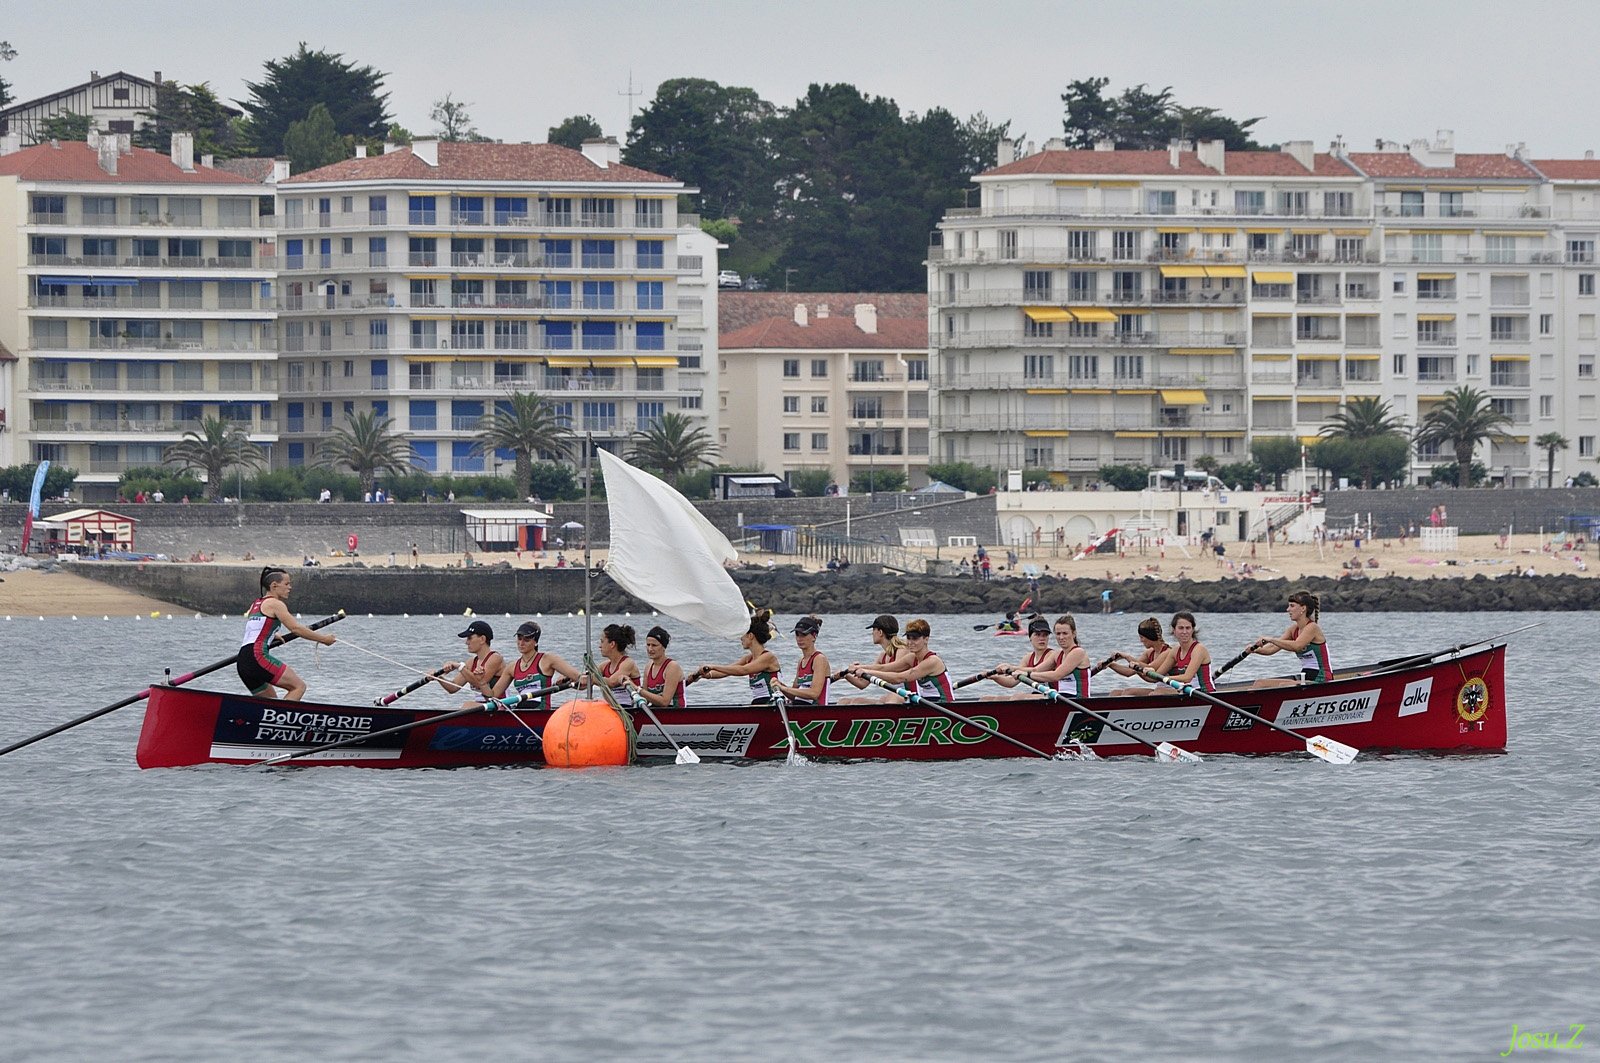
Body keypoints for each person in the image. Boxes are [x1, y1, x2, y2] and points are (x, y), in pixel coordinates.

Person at [236, 567, 337, 700]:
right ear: (274, 585)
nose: (290, 587)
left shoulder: (256, 604)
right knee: (298, 687)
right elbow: (296, 629)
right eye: (287, 584)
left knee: (270, 704)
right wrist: (324, 639)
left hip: (243, 662)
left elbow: (256, 628)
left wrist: (271, 635)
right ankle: (280, 719)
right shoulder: (276, 604)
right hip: (257, 657)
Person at [848, 618, 951, 703]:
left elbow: (899, 677)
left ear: (926, 639)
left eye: (915, 639)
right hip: (926, 702)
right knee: (883, 699)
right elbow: (884, 668)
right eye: (908, 638)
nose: (910, 642)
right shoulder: (912, 658)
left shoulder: (932, 661)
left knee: (891, 698)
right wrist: (860, 667)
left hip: (943, 704)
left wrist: (867, 672)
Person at [693, 610, 782, 703]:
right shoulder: (748, 658)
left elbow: (743, 670)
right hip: (758, 702)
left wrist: (712, 666)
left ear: (750, 636)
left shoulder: (768, 657)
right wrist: (706, 675)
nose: (741, 638)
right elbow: (726, 671)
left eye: (743, 634)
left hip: (773, 702)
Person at [1248, 590, 1332, 688]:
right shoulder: (1293, 630)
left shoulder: (1312, 627)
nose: (1288, 610)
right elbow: (1271, 649)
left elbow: (1297, 646)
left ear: (1303, 608)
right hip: (1306, 677)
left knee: (1283, 685)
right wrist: (1253, 650)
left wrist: (1271, 639)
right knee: (1259, 683)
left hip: (1322, 679)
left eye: (1292, 606)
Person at [492, 620, 583, 708]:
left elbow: (580, 680)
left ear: (536, 642)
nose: (521, 643)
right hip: (521, 710)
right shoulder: (511, 667)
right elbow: (493, 695)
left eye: (526, 640)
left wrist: (567, 681)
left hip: (540, 710)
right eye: (519, 638)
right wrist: (480, 681)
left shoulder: (548, 660)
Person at [838, 614, 913, 703]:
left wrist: (862, 668)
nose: (872, 633)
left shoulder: (902, 650)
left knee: (890, 698)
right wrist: (845, 675)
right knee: (849, 701)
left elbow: (893, 673)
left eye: (874, 630)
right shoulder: (882, 656)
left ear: (880, 632)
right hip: (895, 697)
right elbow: (863, 684)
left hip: (910, 697)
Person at [438, 620, 505, 707]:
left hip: (500, 706)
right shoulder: (471, 662)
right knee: (467, 706)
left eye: (469, 638)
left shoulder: (495, 658)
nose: (466, 642)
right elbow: (453, 688)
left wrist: (460, 667)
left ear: (482, 639)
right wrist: (438, 678)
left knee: (467, 705)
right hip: (482, 708)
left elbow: (479, 683)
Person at [989, 617, 1060, 697]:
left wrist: (1012, 667)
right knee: (987, 699)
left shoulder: (1052, 655)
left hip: (1054, 696)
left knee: (1018, 697)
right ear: (1030, 637)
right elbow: (1012, 682)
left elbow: (1036, 670)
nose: (1042, 638)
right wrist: (995, 677)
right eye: (1037, 634)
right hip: (1038, 696)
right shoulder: (1028, 658)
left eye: (1045, 635)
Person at [1105, 616, 1175, 696]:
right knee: (1115, 693)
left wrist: (1127, 657)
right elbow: (1130, 672)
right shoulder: (1149, 653)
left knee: (1129, 692)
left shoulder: (1168, 652)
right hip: (1159, 690)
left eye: (1142, 637)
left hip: (1173, 691)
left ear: (1149, 636)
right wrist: (1110, 664)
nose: (1140, 640)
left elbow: (1152, 669)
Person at [1028, 614, 1092, 697]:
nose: (1061, 637)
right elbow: (1035, 669)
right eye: (1058, 634)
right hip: (1062, 698)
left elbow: (1056, 675)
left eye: (1065, 633)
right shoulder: (1057, 654)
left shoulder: (1078, 652)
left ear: (1074, 634)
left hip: (1079, 700)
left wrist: (1028, 674)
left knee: (1021, 698)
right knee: (1017, 697)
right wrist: (1013, 669)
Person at [774, 615, 830, 705]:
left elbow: (814, 693)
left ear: (814, 636)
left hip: (816, 711)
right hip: (800, 708)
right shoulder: (801, 661)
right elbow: (793, 695)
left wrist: (784, 688)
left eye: (803, 635)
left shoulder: (819, 659)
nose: (799, 639)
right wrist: (779, 685)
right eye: (797, 635)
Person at [629, 626, 688, 708]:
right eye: (648, 645)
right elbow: (646, 697)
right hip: (658, 714)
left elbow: (665, 702)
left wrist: (637, 689)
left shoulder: (672, 667)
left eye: (654, 645)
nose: (650, 649)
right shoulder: (648, 666)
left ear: (663, 647)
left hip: (677, 714)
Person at [1162, 612, 1214, 693]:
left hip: (1206, 693)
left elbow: (1187, 678)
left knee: (1158, 692)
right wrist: (1145, 670)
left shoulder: (1199, 649)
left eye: (1188, 628)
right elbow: (1155, 676)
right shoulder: (1175, 651)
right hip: (1189, 692)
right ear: (1174, 630)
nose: (1184, 632)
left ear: (1193, 630)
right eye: (1181, 628)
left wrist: (1164, 678)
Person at [594, 623, 641, 691]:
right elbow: (585, 681)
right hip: (613, 701)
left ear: (612, 644)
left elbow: (612, 682)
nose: (600, 646)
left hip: (631, 701)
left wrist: (592, 679)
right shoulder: (604, 666)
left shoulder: (628, 663)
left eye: (602, 641)